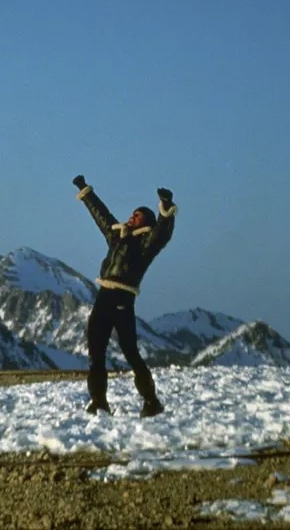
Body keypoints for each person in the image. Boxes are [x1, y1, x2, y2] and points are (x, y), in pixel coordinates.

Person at [72, 174, 177, 418]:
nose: (131, 218)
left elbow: (162, 232)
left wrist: (165, 209)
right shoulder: (117, 237)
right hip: (103, 297)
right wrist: (85, 191)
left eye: (137, 216)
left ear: (145, 222)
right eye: (131, 214)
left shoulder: (147, 243)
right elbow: (102, 215)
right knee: (96, 353)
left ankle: (151, 402)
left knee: (130, 353)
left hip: (122, 300)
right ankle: (99, 402)